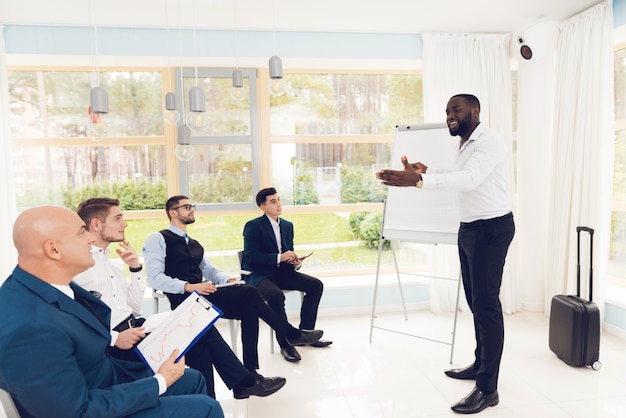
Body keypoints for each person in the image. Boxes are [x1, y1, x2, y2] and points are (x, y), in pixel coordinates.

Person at [0, 205, 223, 418]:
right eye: (81, 233)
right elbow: (75, 412)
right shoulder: (32, 327)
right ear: (54, 249)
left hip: (103, 380)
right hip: (89, 405)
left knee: (191, 378)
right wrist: (159, 381)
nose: (90, 238)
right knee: (206, 408)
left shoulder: (50, 285)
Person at [376, 94, 515, 415]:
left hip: (492, 228)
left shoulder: (489, 141)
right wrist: (428, 170)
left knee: (487, 306)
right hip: (470, 229)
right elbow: (459, 173)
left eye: (456, 110)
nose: (450, 115)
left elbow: (469, 179)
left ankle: (488, 389)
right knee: (475, 302)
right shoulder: (464, 145)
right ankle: (481, 365)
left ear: (475, 111)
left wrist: (420, 180)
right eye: (448, 111)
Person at [72, 197, 286, 400]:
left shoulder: (114, 267)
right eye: (118, 218)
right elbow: (75, 319)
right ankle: (246, 379)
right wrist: (114, 337)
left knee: (201, 346)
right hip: (120, 341)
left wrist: (135, 269)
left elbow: (135, 308)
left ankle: (210, 403)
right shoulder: (80, 267)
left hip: (137, 327)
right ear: (96, 224)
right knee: (201, 324)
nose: (125, 224)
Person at [143, 195, 323, 371]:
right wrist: (189, 286)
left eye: (192, 207)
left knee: (249, 310)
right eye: (187, 207)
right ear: (173, 213)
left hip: (202, 295)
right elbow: (153, 278)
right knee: (250, 292)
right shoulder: (158, 238)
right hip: (185, 299)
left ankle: (251, 372)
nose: (192, 211)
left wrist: (226, 280)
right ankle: (291, 334)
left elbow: (210, 270)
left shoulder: (194, 243)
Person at [242, 187, 333, 363]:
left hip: (282, 272)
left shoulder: (287, 225)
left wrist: (293, 260)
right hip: (260, 275)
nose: (278, 204)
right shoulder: (253, 226)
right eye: (273, 201)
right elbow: (250, 257)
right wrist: (278, 257)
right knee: (275, 296)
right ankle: (286, 343)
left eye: (278, 200)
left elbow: (286, 251)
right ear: (263, 207)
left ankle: (305, 334)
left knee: (316, 285)